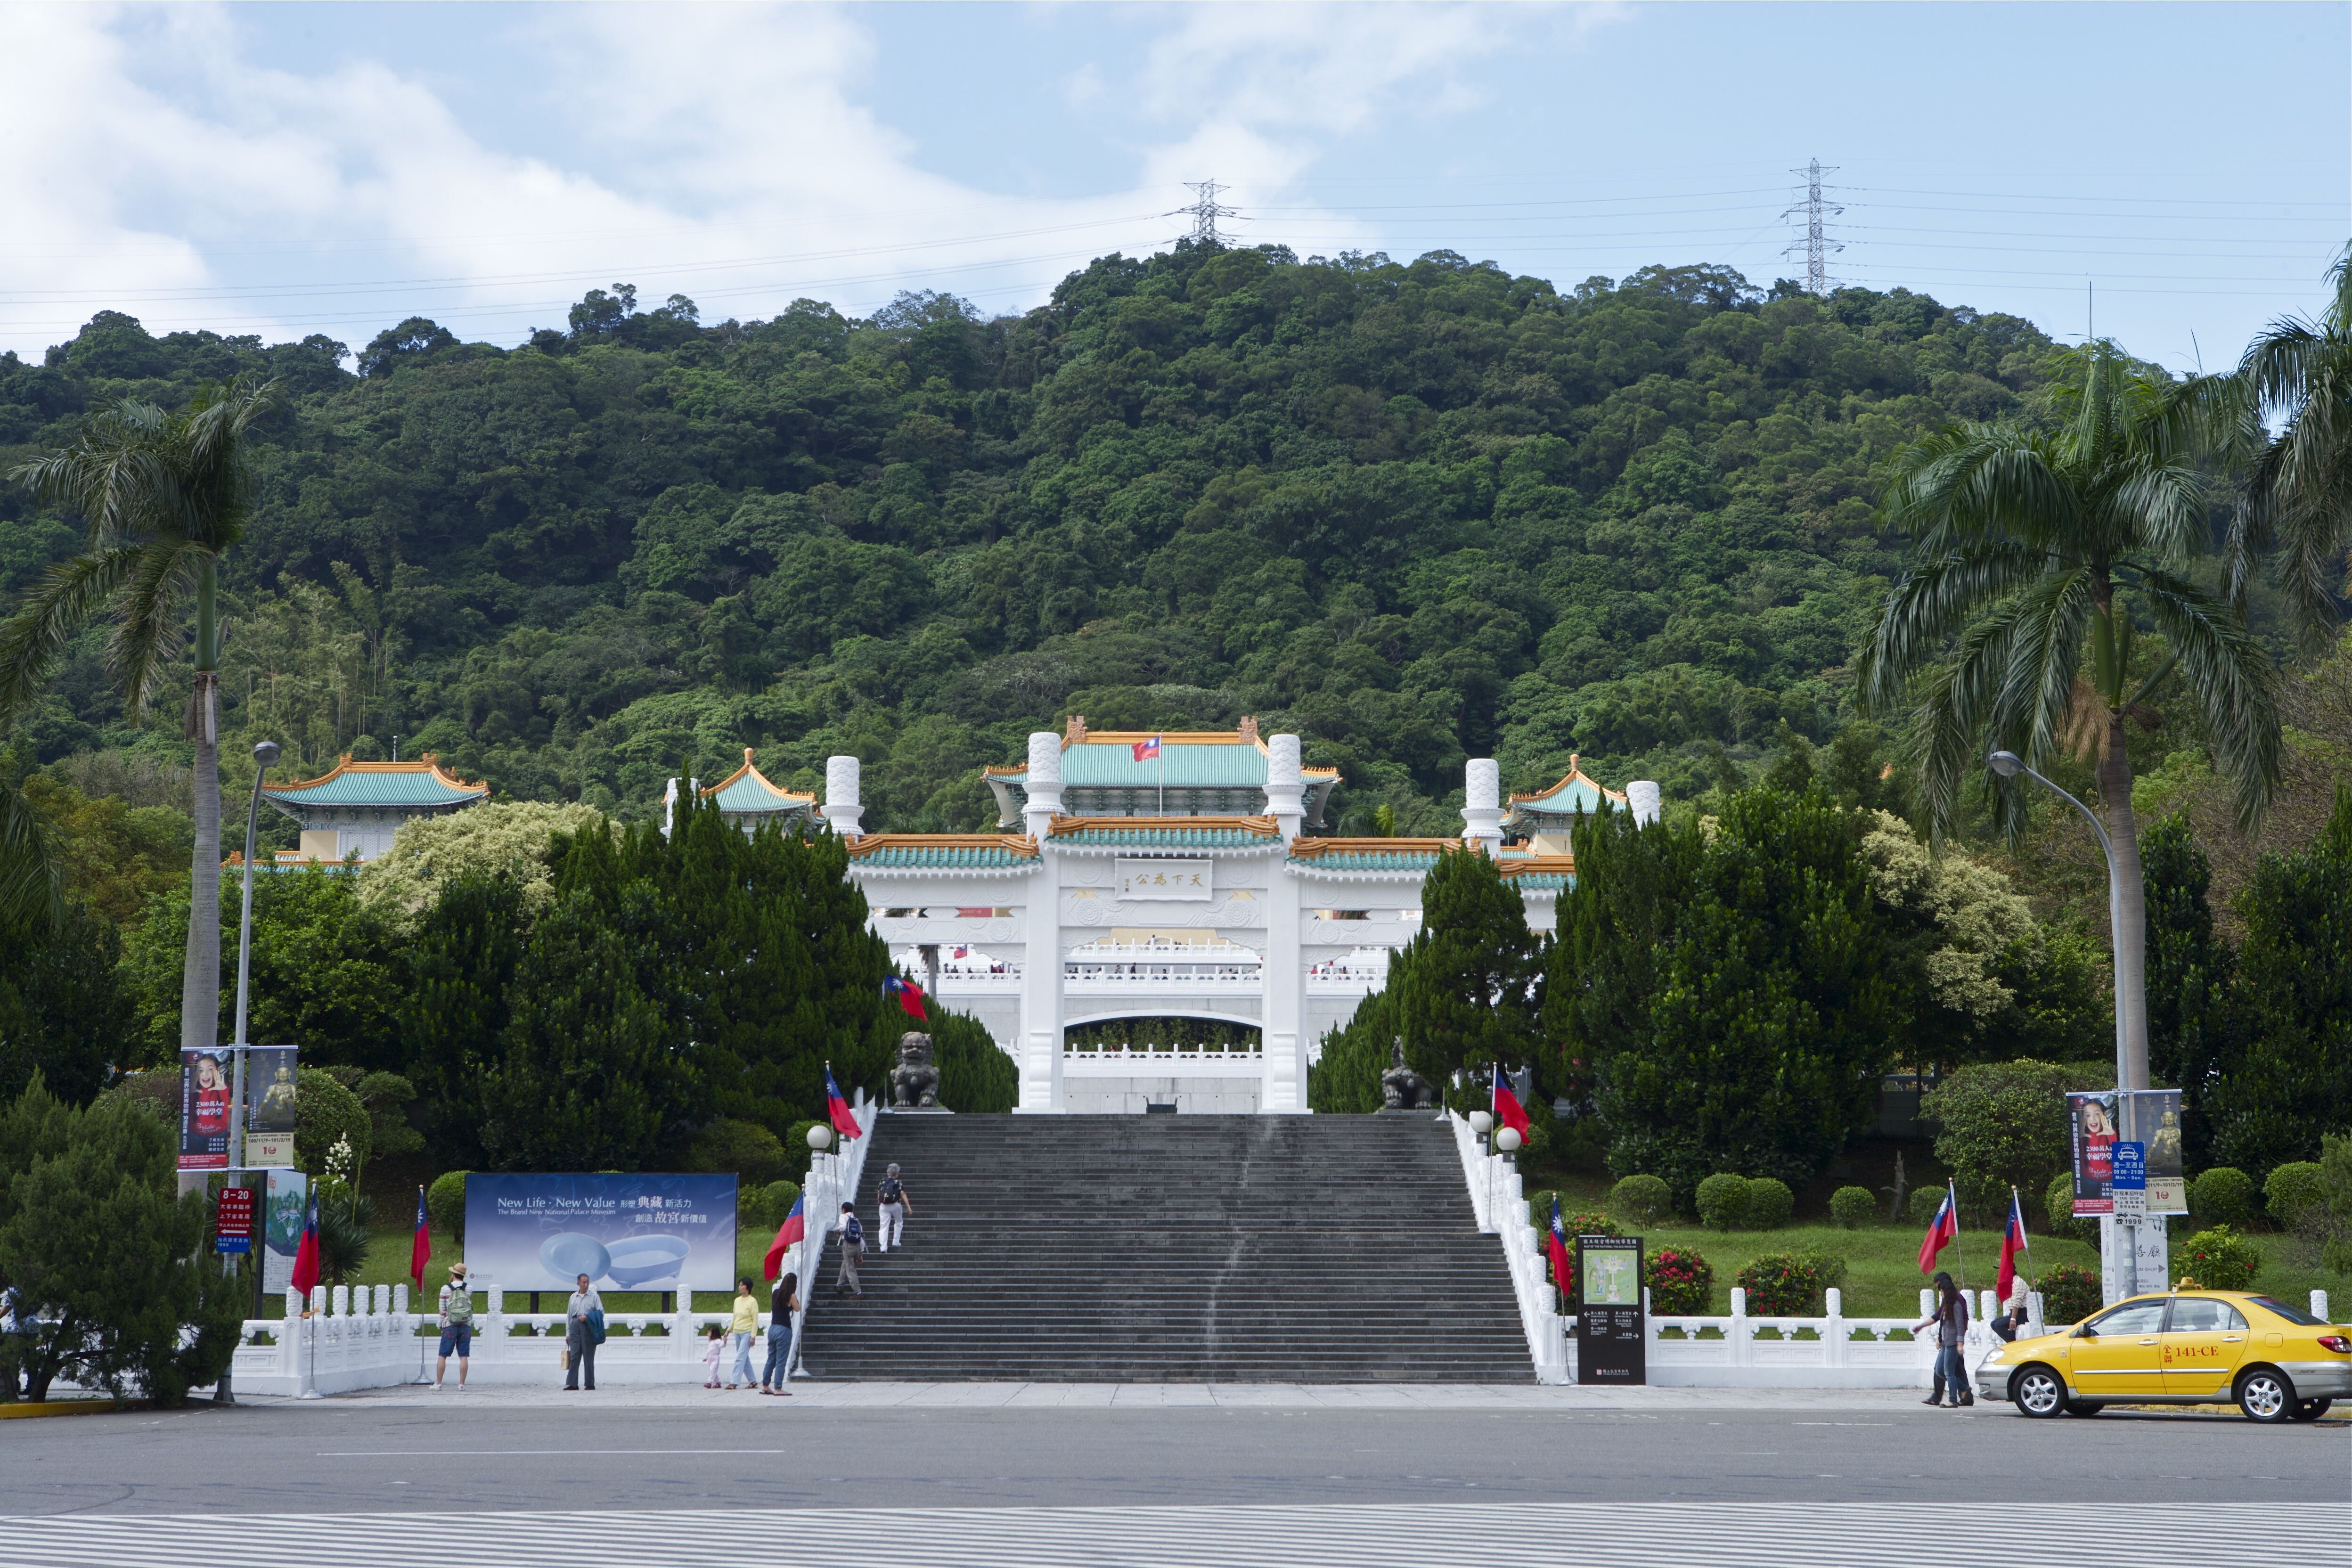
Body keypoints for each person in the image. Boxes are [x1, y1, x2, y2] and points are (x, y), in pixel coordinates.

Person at [1913, 1271, 1972, 1408]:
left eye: (1940, 1288)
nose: (1939, 1292)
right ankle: (1963, 1390)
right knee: (1942, 1370)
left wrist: (1960, 1343)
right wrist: (1922, 1327)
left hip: (1954, 1342)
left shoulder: (1957, 1301)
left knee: (1950, 1372)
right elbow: (1939, 1317)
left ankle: (1953, 1398)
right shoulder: (1948, 1301)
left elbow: (1961, 1323)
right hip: (1947, 1341)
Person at [434, 1263, 474, 1390]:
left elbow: (442, 1310)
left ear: (453, 1274)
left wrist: (441, 1324)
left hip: (450, 1325)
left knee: (443, 1355)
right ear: (463, 1276)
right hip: (465, 1325)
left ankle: (439, 1384)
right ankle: (461, 1384)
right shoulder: (469, 1289)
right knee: (463, 1356)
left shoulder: (445, 1289)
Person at [759, 1274, 800, 1396]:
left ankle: (765, 1386)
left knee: (771, 1358)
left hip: (773, 1328)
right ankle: (778, 1388)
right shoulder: (791, 1296)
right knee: (781, 1361)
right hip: (784, 1329)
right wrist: (795, 1298)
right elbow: (797, 1309)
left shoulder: (776, 1293)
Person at [564, 1272, 603, 1391]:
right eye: (584, 1282)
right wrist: (568, 1333)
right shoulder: (573, 1297)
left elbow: (601, 1312)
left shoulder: (594, 1296)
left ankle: (590, 1383)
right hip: (575, 1326)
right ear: (578, 1284)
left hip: (588, 1326)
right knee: (575, 1355)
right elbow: (569, 1316)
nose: (586, 1285)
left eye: (587, 1282)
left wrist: (588, 1317)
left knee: (588, 1356)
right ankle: (572, 1383)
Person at [727, 1276, 760, 1389]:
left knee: (740, 1358)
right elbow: (735, 1317)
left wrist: (753, 1336)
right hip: (737, 1331)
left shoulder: (752, 1301)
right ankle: (753, 1381)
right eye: (739, 1285)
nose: (740, 1287)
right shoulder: (737, 1300)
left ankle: (734, 1382)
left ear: (748, 1287)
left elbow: (755, 1320)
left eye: (742, 1285)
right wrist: (728, 1330)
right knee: (744, 1358)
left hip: (747, 1332)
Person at [876, 1163, 913, 1253]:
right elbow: (903, 1194)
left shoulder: (883, 1181)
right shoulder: (898, 1182)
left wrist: (879, 1202)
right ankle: (896, 1241)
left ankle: (883, 1247)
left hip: (884, 1206)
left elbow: (879, 1193)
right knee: (899, 1222)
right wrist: (909, 1207)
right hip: (896, 1205)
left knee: (884, 1226)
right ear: (896, 1173)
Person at [834, 1201, 865, 1298]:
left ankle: (858, 1292)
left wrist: (838, 1231)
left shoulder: (843, 1217)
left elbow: (843, 1227)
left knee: (850, 1269)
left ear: (843, 1210)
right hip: (857, 1247)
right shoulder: (856, 1220)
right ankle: (840, 1285)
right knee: (846, 1263)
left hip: (848, 1245)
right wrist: (861, 1253)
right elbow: (861, 1236)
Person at [702, 1323, 726, 1388]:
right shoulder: (711, 1342)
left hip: (715, 1357)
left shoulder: (718, 1341)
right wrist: (706, 1358)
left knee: (713, 1370)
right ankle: (718, 1382)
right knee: (712, 1370)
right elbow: (709, 1351)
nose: (708, 1334)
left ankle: (709, 1382)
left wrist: (725, 1341)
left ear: (714, 1333)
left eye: (709, 1333)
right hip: (710, 1357)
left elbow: (722, 1345)